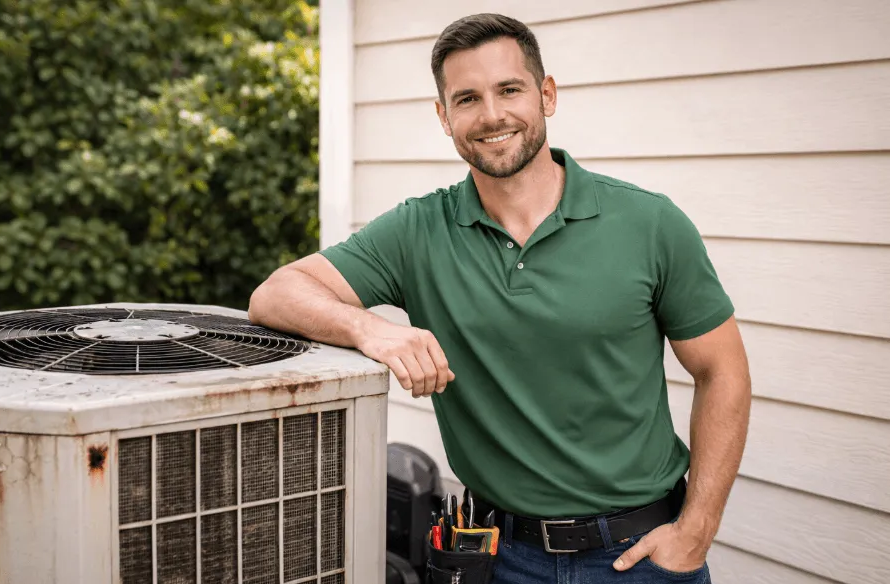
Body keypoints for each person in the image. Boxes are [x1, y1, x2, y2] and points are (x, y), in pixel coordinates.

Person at [249, 12, 751, 584]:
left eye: (509, 90)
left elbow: (724, 371)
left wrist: (696, 532)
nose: (492, 116)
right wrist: (373, 330)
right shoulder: (419, 231)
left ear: (547, 95)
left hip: (638, 557)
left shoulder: (650, 223)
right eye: (467, 98)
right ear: (444, 117)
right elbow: (277, 293)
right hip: (496, 560)